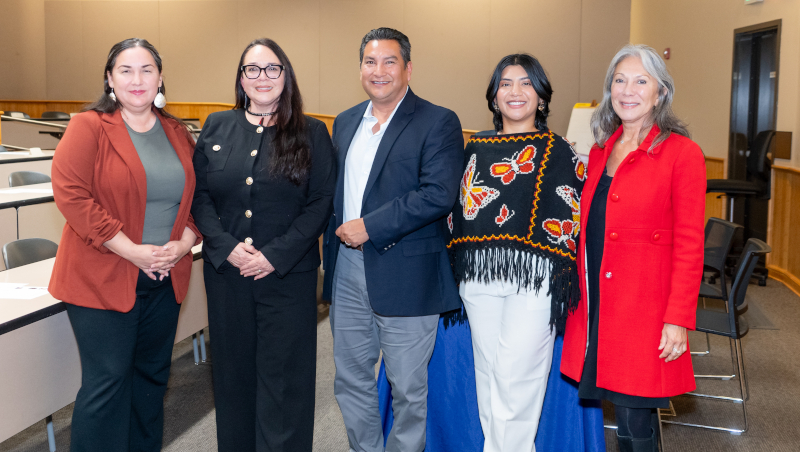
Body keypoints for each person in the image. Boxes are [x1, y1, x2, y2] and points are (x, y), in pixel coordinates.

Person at [49, 38, 200, 452]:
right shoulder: (89, 126)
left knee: (152, 381)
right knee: (108, 383)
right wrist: (131, 249)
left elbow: (197, 202)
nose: (138, 79)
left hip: (164, 278)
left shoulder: (177, 133)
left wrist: (183, 244)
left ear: (160, 77)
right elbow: (72, 195)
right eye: (126, 70)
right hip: (102, 275)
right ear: (110, 78)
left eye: (147, 70)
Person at [321, 27, 463, 452]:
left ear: (407, 68)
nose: (378, 71)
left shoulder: (438, 120)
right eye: (370, 61)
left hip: (408, 271)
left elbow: (439, 194)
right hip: (347, 269)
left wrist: (370, 225)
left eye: (389, 62)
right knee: (351, 378)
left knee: (407, 389)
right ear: (360, 67)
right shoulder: (346, 122)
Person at [191, 38, 335, 452]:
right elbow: (199, 197)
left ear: (286, 76)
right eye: (252, 69)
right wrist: (225, 246)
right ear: (241, 78)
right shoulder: (217, 126)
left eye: (272, 68)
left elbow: (321, 201)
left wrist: (275, 255)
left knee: (284, 384)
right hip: (228, 276)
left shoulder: (311, 132)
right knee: (233, 379)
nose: (262, 77)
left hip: (287, 279)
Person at [560, 44, 706, 451]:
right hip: (598, 304)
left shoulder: (682, 153)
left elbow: (691, 244)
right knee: (624, 414)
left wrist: (677, 318)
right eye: (620, 80)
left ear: (660, 92)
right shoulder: (601, 150)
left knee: (636, 415)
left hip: (646, 306)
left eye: (641, 81)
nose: (629, 90)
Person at [446, 54, 586, 452]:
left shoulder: (560, 151)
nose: (516, 91)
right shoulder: (475, 148)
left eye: (526, 83)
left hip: (536, 280)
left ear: (541, 96)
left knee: (517, 378)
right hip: (479, 277)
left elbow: (575, 214)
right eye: (506, 83)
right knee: (489, 374)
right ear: (493, 97)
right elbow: (459, 210)